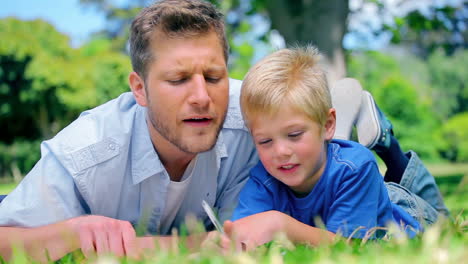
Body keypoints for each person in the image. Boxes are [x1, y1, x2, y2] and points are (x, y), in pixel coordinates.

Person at [0, 0, 446, 261]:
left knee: (368, 177)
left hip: (338, 166)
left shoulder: (249, 114)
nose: (202, 97)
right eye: (177, 81)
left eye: (213, 77)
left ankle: (367, 131)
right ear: (139, 88)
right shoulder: (87, 151)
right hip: (303, 179)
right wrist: (73, 233)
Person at [221, 46, 449, 251]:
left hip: (404, 211)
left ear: (329, 124)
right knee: (333, 161)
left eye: (294, 135)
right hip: (346, 182)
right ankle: (329, 143)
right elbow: (243, 235)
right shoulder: (264, 178)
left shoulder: (356, 168)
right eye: (265, 141)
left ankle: (389, 145)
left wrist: (279, 224)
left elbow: (349, 247)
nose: (280, 151)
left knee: (443, 223)